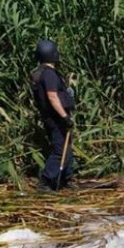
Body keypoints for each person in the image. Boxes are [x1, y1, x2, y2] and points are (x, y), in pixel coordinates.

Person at [32, 38, 75, 192]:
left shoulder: (42, 73)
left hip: (54, 117)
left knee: (66, 147)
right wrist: (64, 117)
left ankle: (65, 179)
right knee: (59, 149)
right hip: (56, 119)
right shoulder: (48, 74)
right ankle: (46, 181)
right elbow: (52, 97)